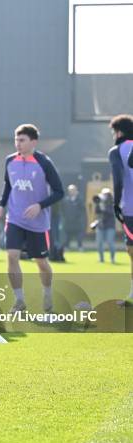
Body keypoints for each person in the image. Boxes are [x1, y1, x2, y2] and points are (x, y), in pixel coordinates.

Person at [0, 124, 64, 314]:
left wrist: (39, 205)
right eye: (16, 139)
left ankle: (48, 294)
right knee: (12, 255)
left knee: (40, 261)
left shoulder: (44, 163)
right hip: (15, 219)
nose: (18, 143)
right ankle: (19, 301)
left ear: (34, 142)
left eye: (22, 140)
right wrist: (1, 204)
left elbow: (59, 192)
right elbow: (8, 186)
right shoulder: (10, 161)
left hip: (38, 223)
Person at [108, 114, 133, 302]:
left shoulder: (116, 151)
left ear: (119, 131)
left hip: (130, 208)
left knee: (131, 251)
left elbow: (117, 179)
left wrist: (116, 203)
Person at [92, 188, 116, 263]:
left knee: (110, 242)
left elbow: (112, 213)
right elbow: (96, 212)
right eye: (103, 194)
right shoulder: (99, 202)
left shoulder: (113, 203)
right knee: (99, 243)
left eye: (106, 194)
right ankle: (101, 259)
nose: (105, 196)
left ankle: (112, 258)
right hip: (100, 225)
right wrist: (99, 204)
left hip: (110, 225)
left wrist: (104, 208)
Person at [62, 184, 86, 252]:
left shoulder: (80, 200)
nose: (71, 192)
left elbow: (82, 210)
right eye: (70, 190)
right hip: (68, 222)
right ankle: (66, 247)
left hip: (77, 222)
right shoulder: (66, 200)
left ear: (76, 191)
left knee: (79, 236)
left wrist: (78, 217)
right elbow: (63, 210)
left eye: (73, 190)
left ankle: (80, 247)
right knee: (67, 236)